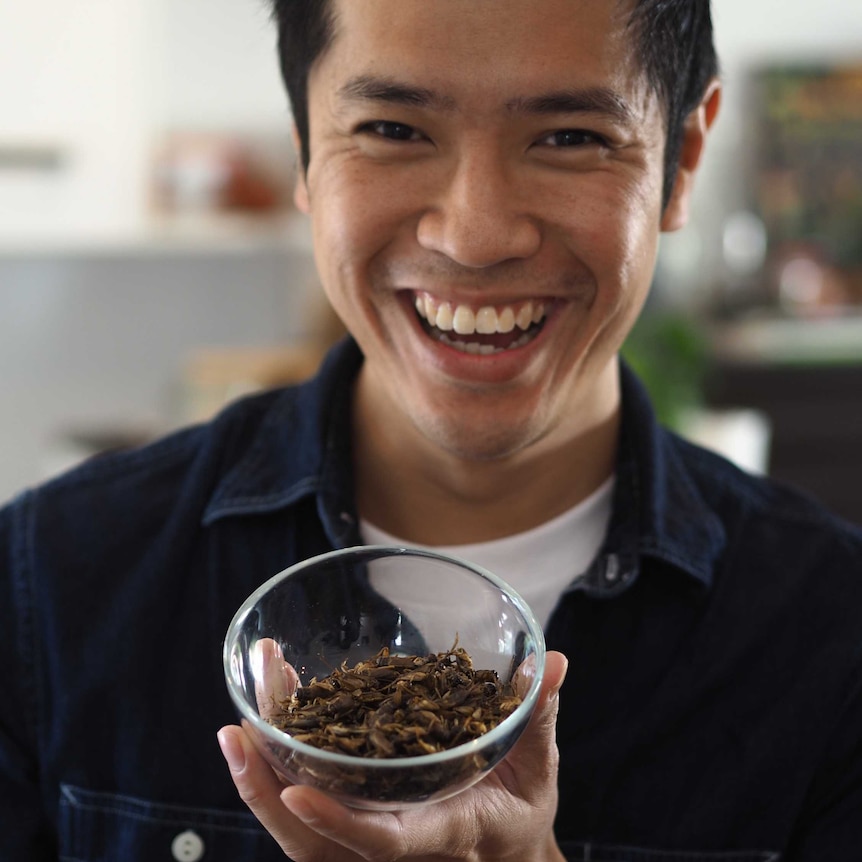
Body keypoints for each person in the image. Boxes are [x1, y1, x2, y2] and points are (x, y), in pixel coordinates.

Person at [2, 0, 861, 859]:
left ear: (684, 158)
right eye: (391, 127)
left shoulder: (831, 639)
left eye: (570, 137)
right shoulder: (47, 584)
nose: (477, 235)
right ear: (304, 146)